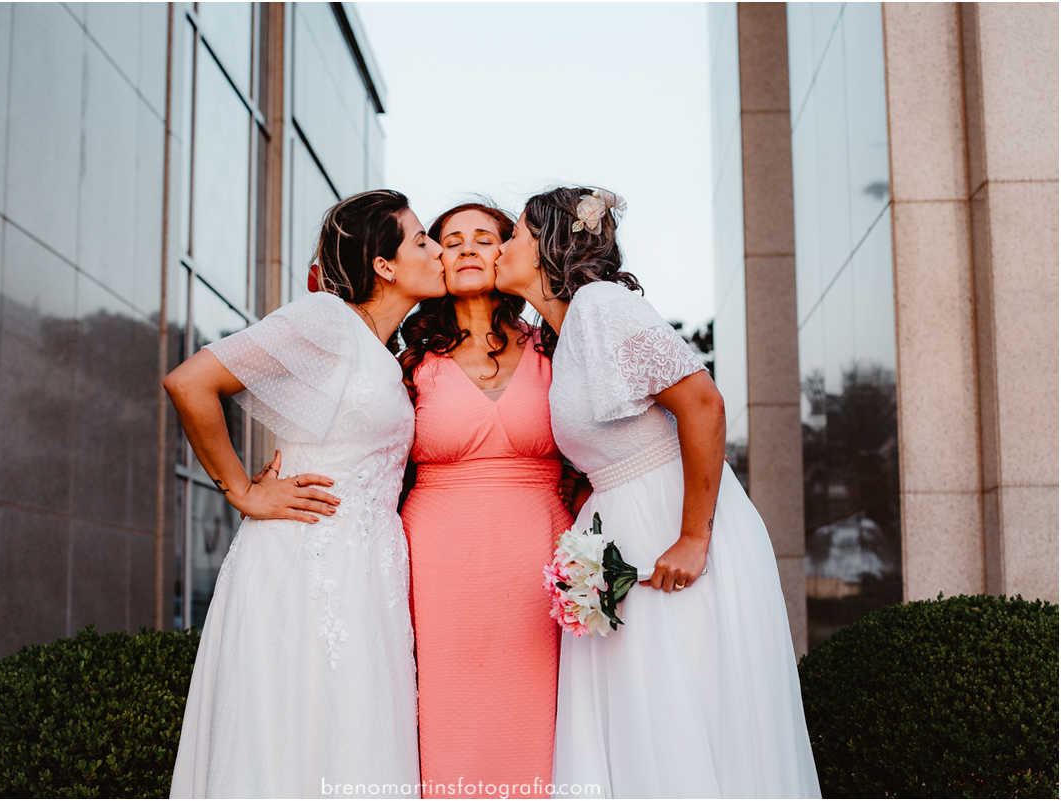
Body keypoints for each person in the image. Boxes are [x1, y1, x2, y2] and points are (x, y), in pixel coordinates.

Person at [494, 186, 820, 798]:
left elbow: (702, 402)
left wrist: (694, 536)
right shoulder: (565, 335)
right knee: (641, 717)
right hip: (622, 527)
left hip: (669, 521)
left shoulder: (600, 306)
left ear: (548, 246)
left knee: (676, 710)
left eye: (513, 235)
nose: (503, 247)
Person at [165, 190, 445, 798]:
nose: (439, 250)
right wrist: (241, 490)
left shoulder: (381, 350)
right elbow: (191, 383)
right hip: (303, 560)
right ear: (385, 265)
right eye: (423, 239)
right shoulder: (326, 319)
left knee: (354, 732)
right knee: (293, 731)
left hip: (368, 569)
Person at [398, 202, 574, 798]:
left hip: (542, 563)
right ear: (435, 259)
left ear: (508, 253)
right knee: (446, 716)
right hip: (436, 566)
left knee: (542, 719)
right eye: (450, 240)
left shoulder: (557, 348)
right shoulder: (410, 363)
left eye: (483, 237)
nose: (468, 248)